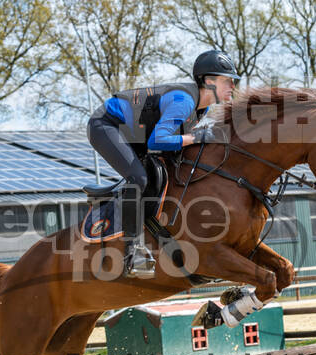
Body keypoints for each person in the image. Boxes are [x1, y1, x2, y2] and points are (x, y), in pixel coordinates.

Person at [87, 50, 240, 278]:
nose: (233, 87)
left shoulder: (202, 108)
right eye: (227, 81)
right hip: (106, 125)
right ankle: (132, 251)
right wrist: (196, 137)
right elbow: (157, 140)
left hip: (134, 132)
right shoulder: (185, 101)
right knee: (139, 178)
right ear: (209, 82)